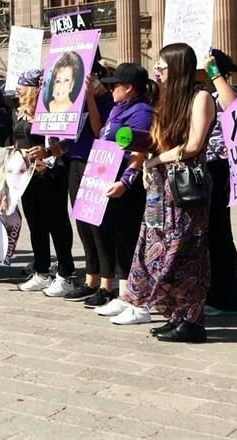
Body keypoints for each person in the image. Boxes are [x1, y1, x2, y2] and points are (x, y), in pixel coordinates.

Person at [118, 44, 215, 338]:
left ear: (177, 67)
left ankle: (192, 320)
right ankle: (174, 313)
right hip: (160, 189)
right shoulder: (165, 101)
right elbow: (160, 142)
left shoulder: (200, 98)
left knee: (186, 251)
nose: (156, 72)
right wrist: (144, 155)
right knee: (155, 249)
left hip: (185, 185)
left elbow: (194, 145)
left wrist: (157, 159)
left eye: (161, 66)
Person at [85, 64, 156, 312]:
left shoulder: (141, 111)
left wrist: (126, 180)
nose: (111, 88)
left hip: (126, 185)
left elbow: (139, 148)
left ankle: (132, 295)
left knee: (128, 237)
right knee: (116, 236)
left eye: (116, 85)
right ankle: (124, 293)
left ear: (129, 88)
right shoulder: (118, 109)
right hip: (107, 179)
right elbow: (101, 135)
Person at [46, 61, 115, 299]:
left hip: (97, 164)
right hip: (75, 162)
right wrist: (57, 147)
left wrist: (92, 99)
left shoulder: (106, 102)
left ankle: (107, 284)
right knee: (84, 225)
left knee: (98, 226)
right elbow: (71, 139)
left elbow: (99, 131)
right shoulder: (75, 103)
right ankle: (91, 279)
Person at [11, 69, 74, 293]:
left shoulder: (52, 110)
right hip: (27, 175)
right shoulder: (18, 112)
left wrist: (47, 153)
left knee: (56, 223)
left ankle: (66, 273)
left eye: (21, 88)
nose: (17, 92)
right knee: (35, 223)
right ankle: (42, 271)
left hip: (51, 173)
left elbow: (66, 142)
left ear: (34, 89)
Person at [200, 49, 237, 316]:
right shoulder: (200, 93)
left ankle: (226, 297)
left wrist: (214, 72)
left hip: (219, 167)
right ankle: (212, 291)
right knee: (207, 234)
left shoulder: (222, 91)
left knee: (218, 232)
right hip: (202, 167)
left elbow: (234, 107)